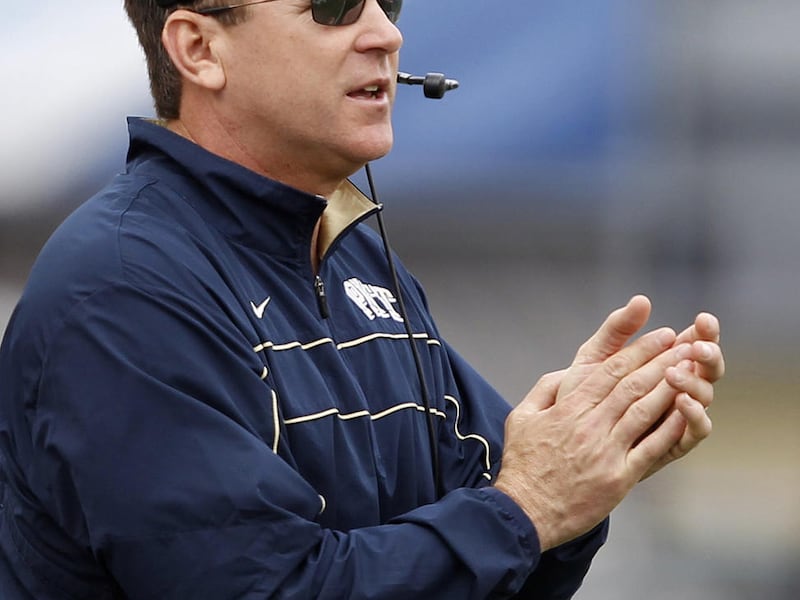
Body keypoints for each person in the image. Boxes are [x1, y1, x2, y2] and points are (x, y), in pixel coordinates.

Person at [0, 0, 724, 598]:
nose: (385, 33)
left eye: (390, 4)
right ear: (199, 50)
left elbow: (496, 552)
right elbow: (271, 588)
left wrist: (586, 465)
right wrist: (530, 508)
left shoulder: (355, 257)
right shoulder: (123, 286)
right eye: (334, 8)